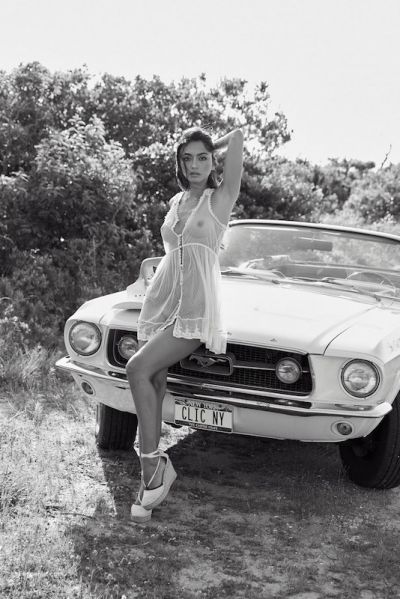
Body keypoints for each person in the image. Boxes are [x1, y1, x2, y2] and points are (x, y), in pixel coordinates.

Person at [126, 126, 243, 522]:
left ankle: (152, 467)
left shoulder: (221, 198)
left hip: (194, 309)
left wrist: (210, 144)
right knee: (154, 380)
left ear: (213, 162)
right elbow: (174, 253)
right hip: (162, 301)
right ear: (178, 163)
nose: (194, 165)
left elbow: (238, 136)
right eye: (187, 158)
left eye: (202, 158)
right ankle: (153, 476)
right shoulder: (177, 200)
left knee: (136, 369)